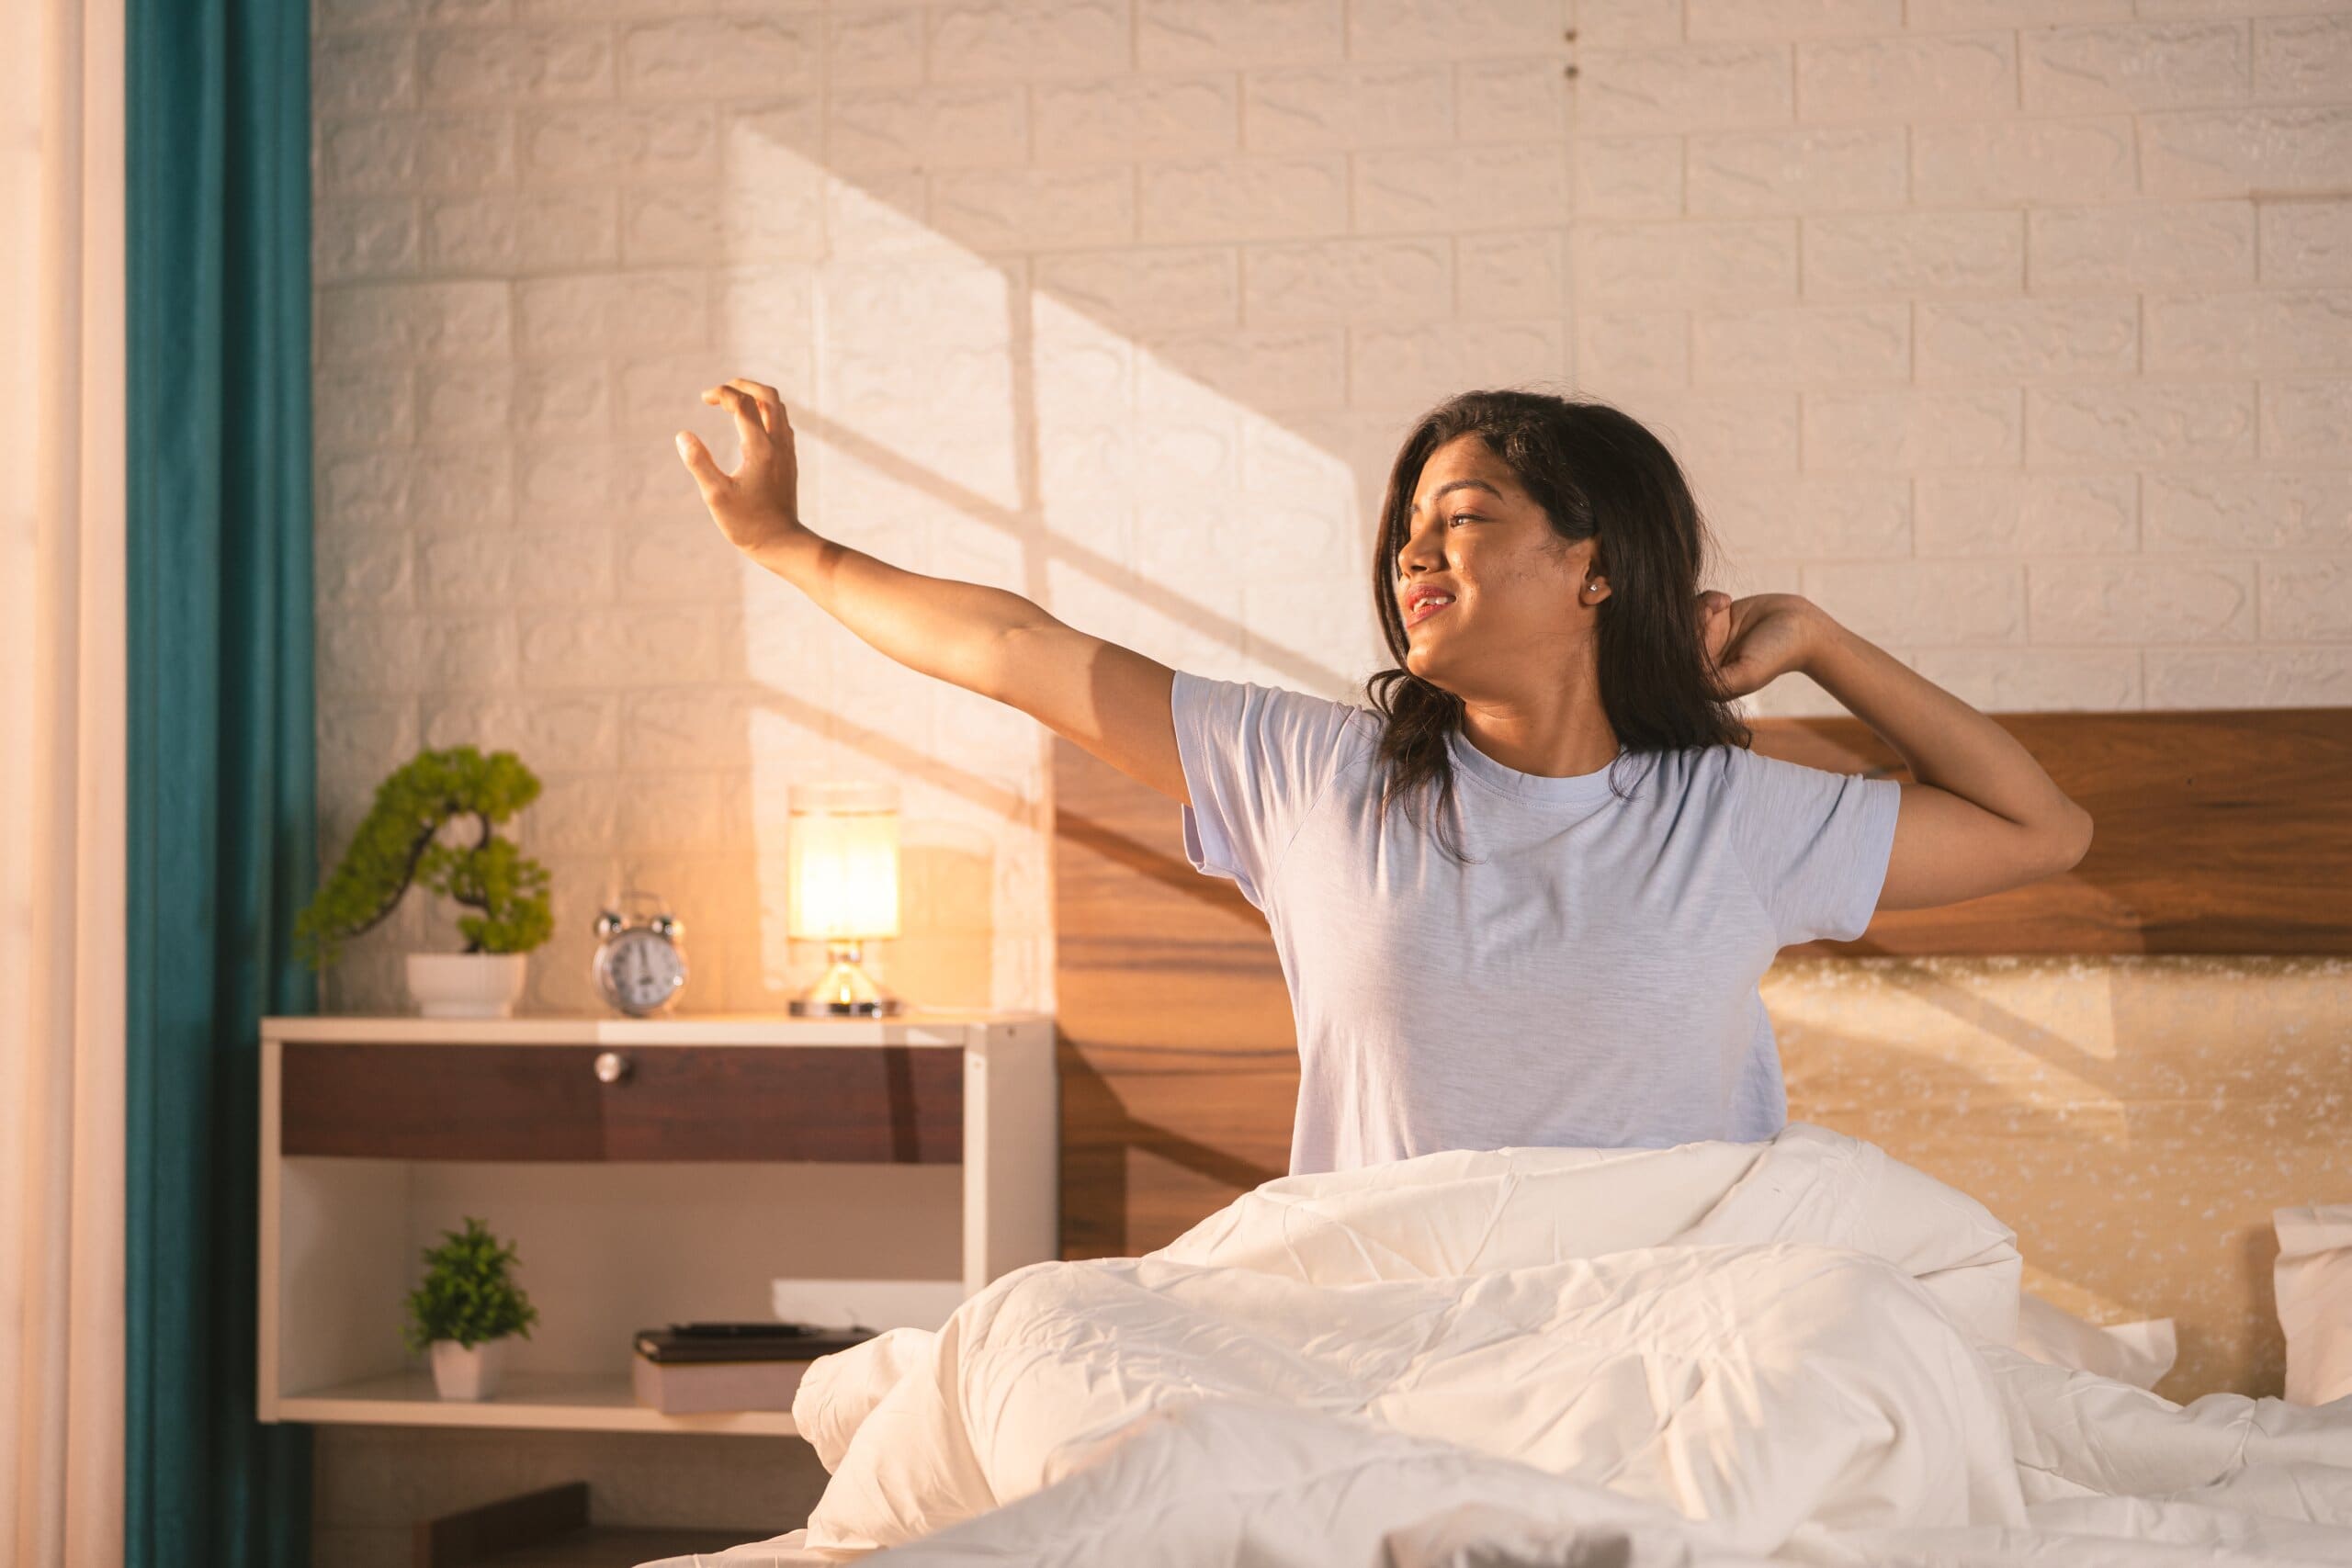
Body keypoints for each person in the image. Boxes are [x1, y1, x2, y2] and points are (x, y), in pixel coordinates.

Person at [678, 379, 2094, 1178]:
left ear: (1597, 565)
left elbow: (2042, 829)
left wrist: (1824, 642)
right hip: (1386, 1320)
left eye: (1463, 518)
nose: (1414, 552)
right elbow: (1012, 647)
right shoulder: (1312, 775)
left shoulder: (1722, 812)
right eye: (1408, 527)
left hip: (1671, 1331)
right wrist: (789, 549)